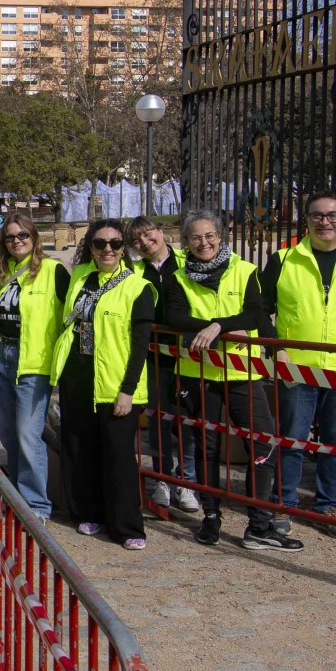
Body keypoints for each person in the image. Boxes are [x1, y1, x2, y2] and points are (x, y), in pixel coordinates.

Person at [259, 190, 336, 540]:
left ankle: (327, 506)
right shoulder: (283, 259)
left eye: (332, 216)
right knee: (292, 439)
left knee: (335, 442)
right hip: (296, 368)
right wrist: (275, 349)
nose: (324, 222)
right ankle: (284, 503)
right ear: (307, 220)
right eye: (317, 215)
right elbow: (261, 309)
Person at [166, 210, 289, 550]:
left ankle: (259, 525)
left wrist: (218, 325)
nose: (203, 242)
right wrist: (216, 329)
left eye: (209, 235)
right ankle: (210, 517)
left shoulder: (245, 270)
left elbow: (255, 313)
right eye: (195, 237)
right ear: (186, 242)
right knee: (206, 447)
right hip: (197, 372)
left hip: (241, 371)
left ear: (220, 237)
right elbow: (174, 316)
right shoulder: (178, 277)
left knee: (262, 444)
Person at [59, 222, 157, 548]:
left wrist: (127, 390)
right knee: (82, 449)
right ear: (90, 247)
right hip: (79, 376)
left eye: (115, 243)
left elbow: (140, 346)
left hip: (116, 383)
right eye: (99, 243)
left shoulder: (137, 287)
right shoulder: (80, 277)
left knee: (118, 456)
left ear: (123, 247)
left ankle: (127, 527)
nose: (107, 250)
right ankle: (89, 512)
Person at [0, 212, 70, 519]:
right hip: (1, 357)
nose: (16, 241)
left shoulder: (54, 270)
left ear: (34, 237)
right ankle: (18, 496)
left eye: (22, 235)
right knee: (8, 434)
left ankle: (36, 506)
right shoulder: (6, 271)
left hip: (32, 361)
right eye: (10, 237)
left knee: (28, 434)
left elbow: (70, 316)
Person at [131, 219, 196, 517]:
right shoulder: (136, 270)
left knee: (187, 420)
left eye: (148, 235)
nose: (145, 243)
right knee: (158, 419)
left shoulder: (186, 261)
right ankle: (162, 477)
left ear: (160, 232)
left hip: (188, 356)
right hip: (153, 357)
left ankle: (186, 480)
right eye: (137, 240)